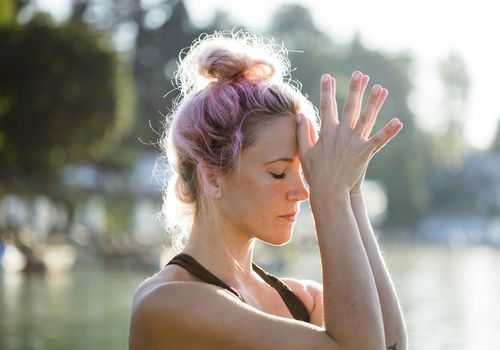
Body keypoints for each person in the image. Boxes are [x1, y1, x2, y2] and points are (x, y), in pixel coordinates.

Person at [128, 30, 407, 350]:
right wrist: (330, 197)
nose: (303, 192)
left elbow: (391, 345)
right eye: (278, 173)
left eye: (304, 172)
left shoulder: (302, 300)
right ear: (212, 178)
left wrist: (350, 191)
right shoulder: (166, 303)